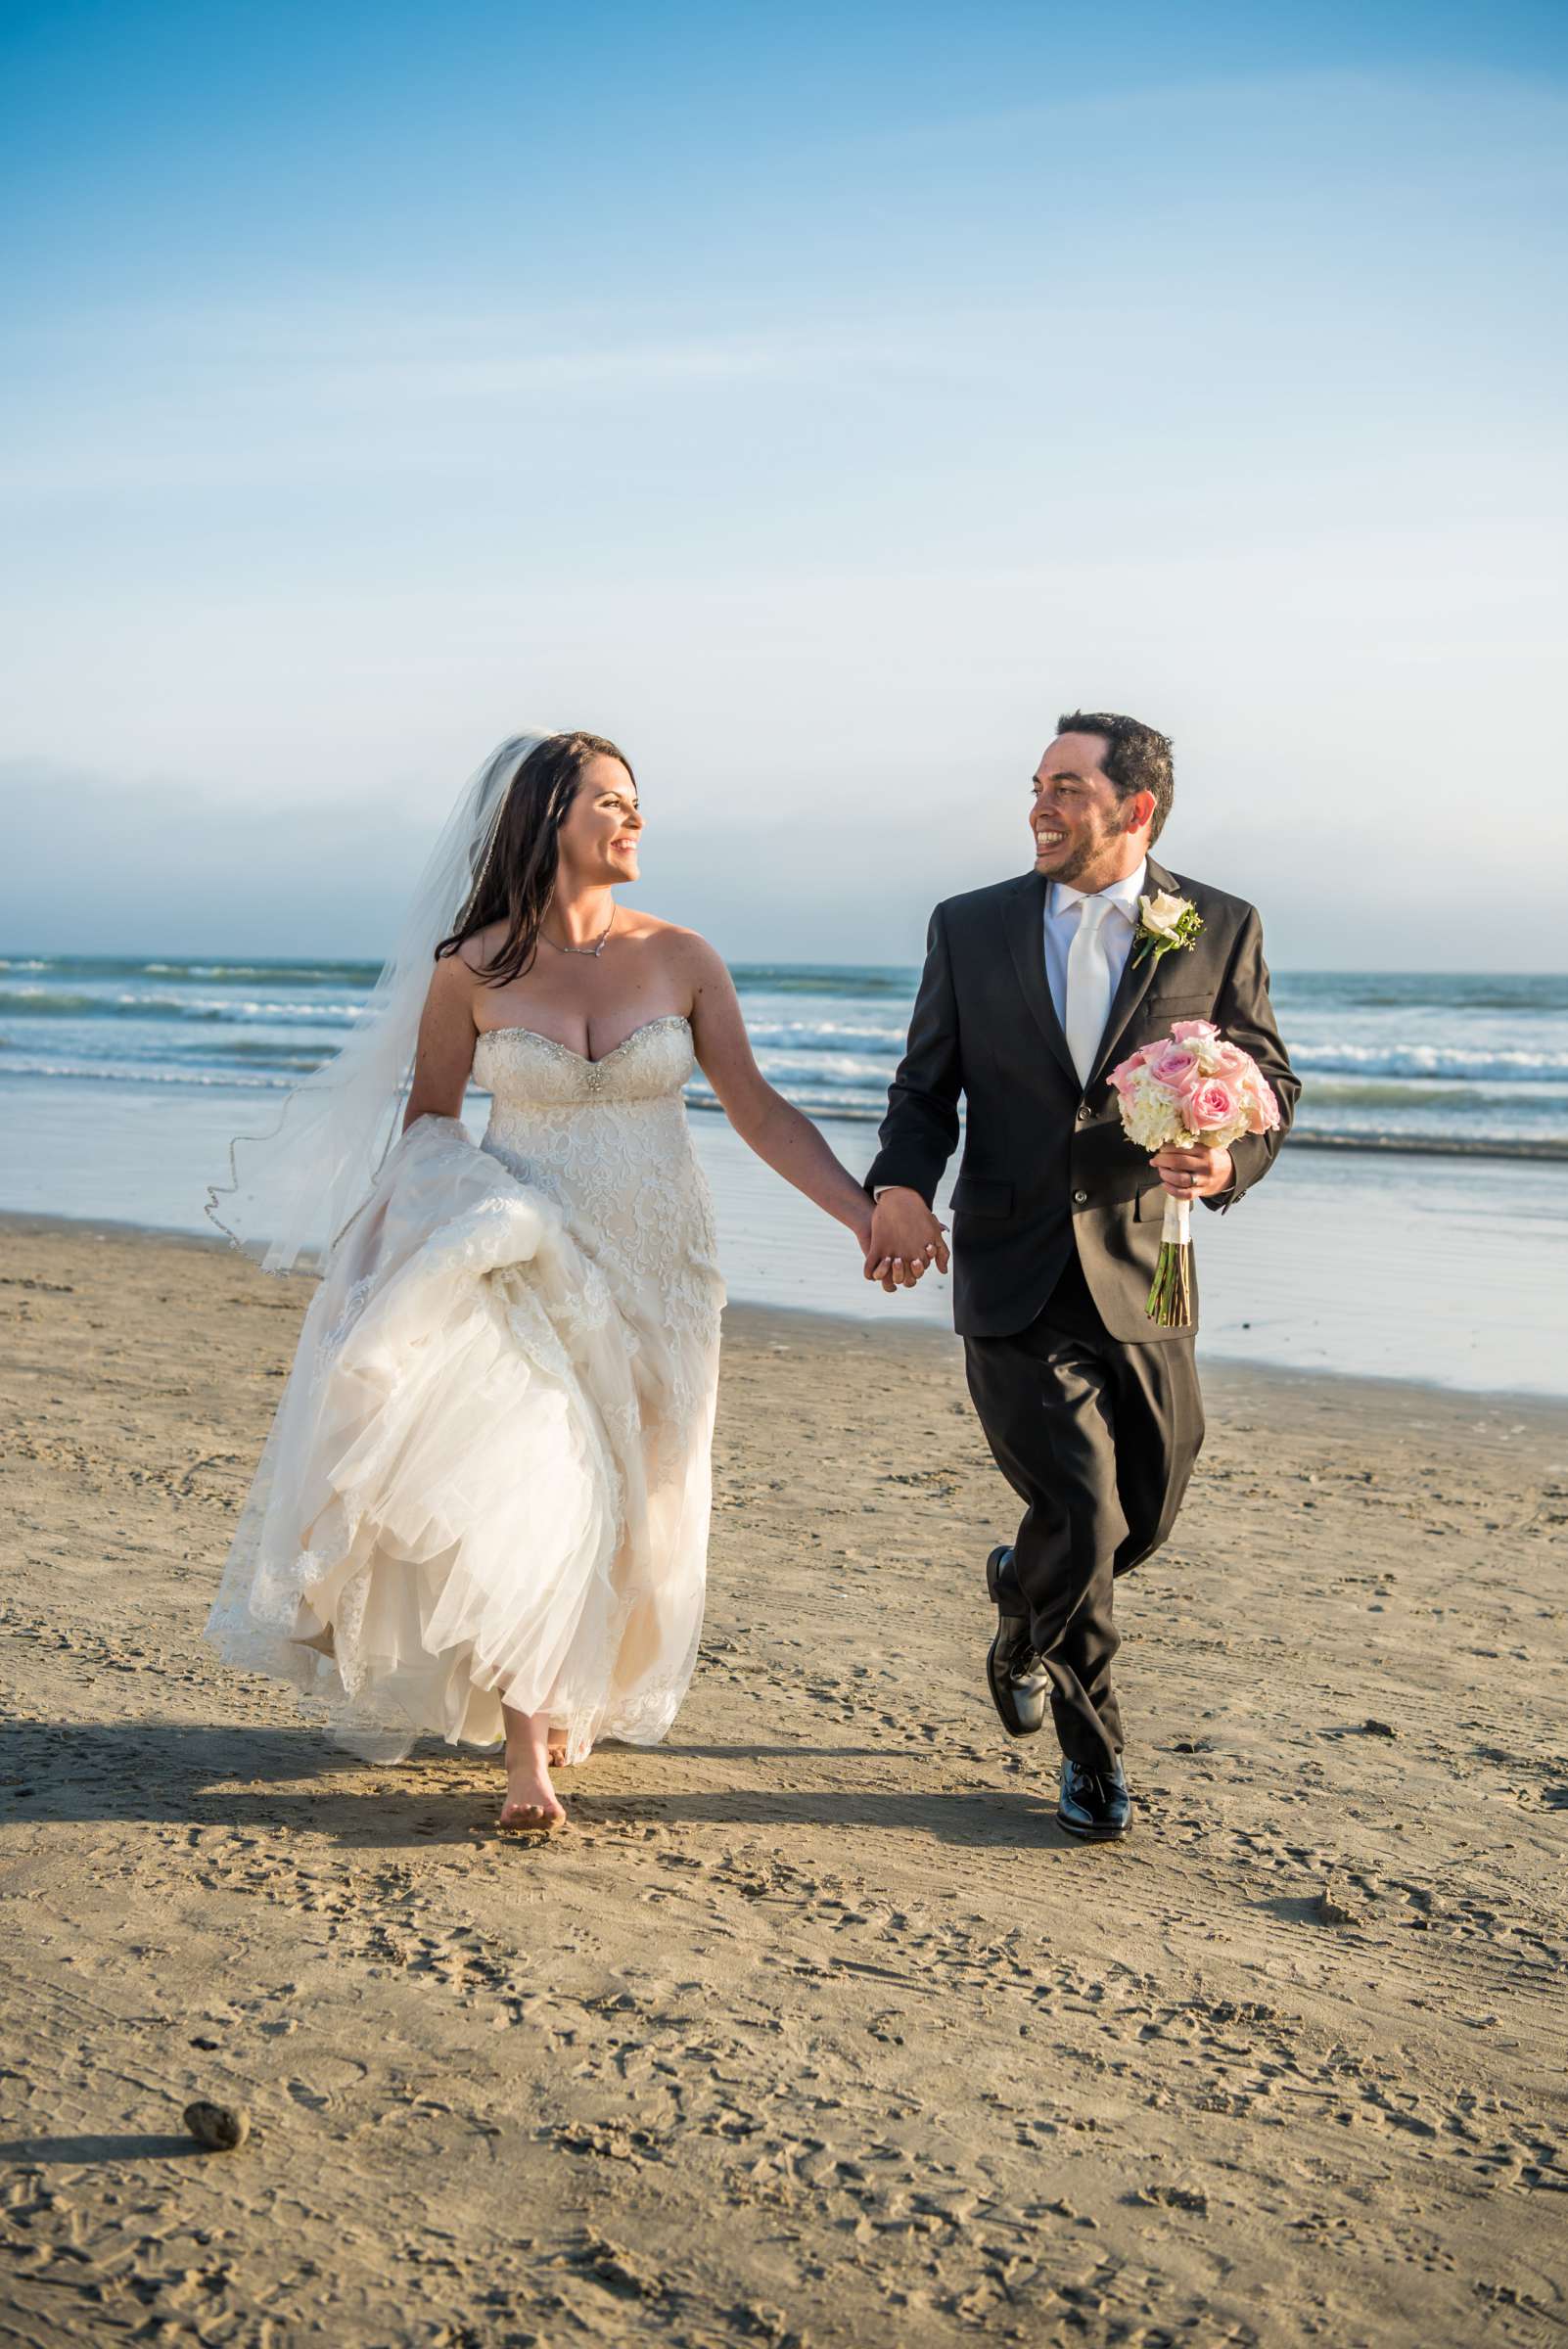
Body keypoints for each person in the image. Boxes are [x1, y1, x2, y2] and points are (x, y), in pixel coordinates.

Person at [206, 731, 874, 1829]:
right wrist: (433, 1242)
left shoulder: (685, 958)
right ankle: (529, 1755)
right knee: (543, 1479)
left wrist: (861, 1214)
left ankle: (573, 1683)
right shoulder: (469, 968)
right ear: (547, 817)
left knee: (644, 1495)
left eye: (637, 799)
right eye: (611, 800)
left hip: (665, 1261)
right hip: (527, 1257)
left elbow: (756, 1111)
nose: (634, 818)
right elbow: (429, 1123)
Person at [863, 712, 1298, 1840]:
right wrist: (899, 1185)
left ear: (1134, 810)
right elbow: (924, 1091)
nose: (1040, 806)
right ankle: (1093, 1755)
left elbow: (1269, 1084)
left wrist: (1228, 1158)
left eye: (1066, 787)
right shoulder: (970, 927)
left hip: (1147, 1269)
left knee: (1143, 1512)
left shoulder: (1217, 924)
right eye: (1036, 784)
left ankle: (1020, 1607)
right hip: (1009, 1264)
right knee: (1085, 1509)